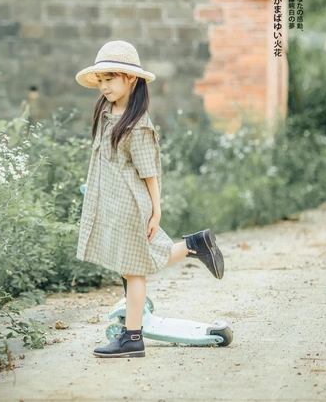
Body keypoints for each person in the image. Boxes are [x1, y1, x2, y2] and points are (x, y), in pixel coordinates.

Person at [73, 40, 225, 359]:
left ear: (131, 79)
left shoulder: (138, 125)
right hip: (110, 201)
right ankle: (195, 245)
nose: (104, 86)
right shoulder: (104, 111)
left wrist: (156, 210)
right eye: (100, 80)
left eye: (110, 79)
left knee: (133, 269)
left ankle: (132, 337)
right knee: (136, 260)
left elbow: (149, 172)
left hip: (131, 204)